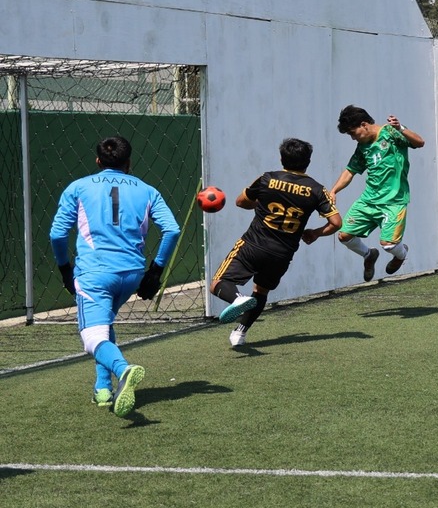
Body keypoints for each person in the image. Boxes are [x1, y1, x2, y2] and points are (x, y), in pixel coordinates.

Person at [49, 136, 180, 416]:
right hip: (131, 274)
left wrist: (64, 269)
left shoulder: (79, 187)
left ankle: (123, 369)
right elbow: (172, 230)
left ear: (98, 161)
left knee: (91, 336)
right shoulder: (147, 190)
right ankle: (103, 389)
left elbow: (57, 234)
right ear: (129, 162)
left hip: (94, 273)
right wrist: (155, 272)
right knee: (104, 325)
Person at [209, 138, 342, 347]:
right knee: (261, 291)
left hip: (253, 245)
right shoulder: (317, 190)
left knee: (218, 283)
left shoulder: (267, 178)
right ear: (308, 161)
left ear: (282, 159)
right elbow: (336, 223)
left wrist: (263, 205)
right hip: (282, 254)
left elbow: (240, 202)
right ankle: (240, 333)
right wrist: (315, 233)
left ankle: (236, 299)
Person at [331, 105, 425, 282]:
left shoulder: (391, 132)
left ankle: (401, 255)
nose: (352, 138)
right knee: (344, 236)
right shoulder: (362, 146)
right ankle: (368, 255)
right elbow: (350, 171)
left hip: (394, 201)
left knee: (389, 245)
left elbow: (419, 142)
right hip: (369, 200)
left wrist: (401, 128)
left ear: (364, 124)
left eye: (353, 133)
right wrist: (334, 190)